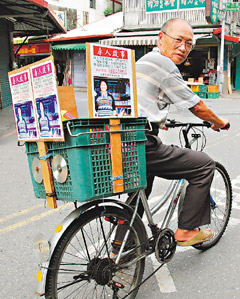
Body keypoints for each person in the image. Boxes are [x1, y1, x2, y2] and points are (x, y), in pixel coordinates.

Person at [133, 18, 230, 246]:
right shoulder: (163, 63)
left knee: (140, 191)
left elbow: (145, 101)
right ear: (161, 37)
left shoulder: (144, 61)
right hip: (142, 142)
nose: (183, 48)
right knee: (204, 165)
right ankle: (187, 230)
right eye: (178, 40)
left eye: (189, 44)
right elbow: (196, 106)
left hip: (127, 139)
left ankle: (122, 247)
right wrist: (218, 121)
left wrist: (160, 122)